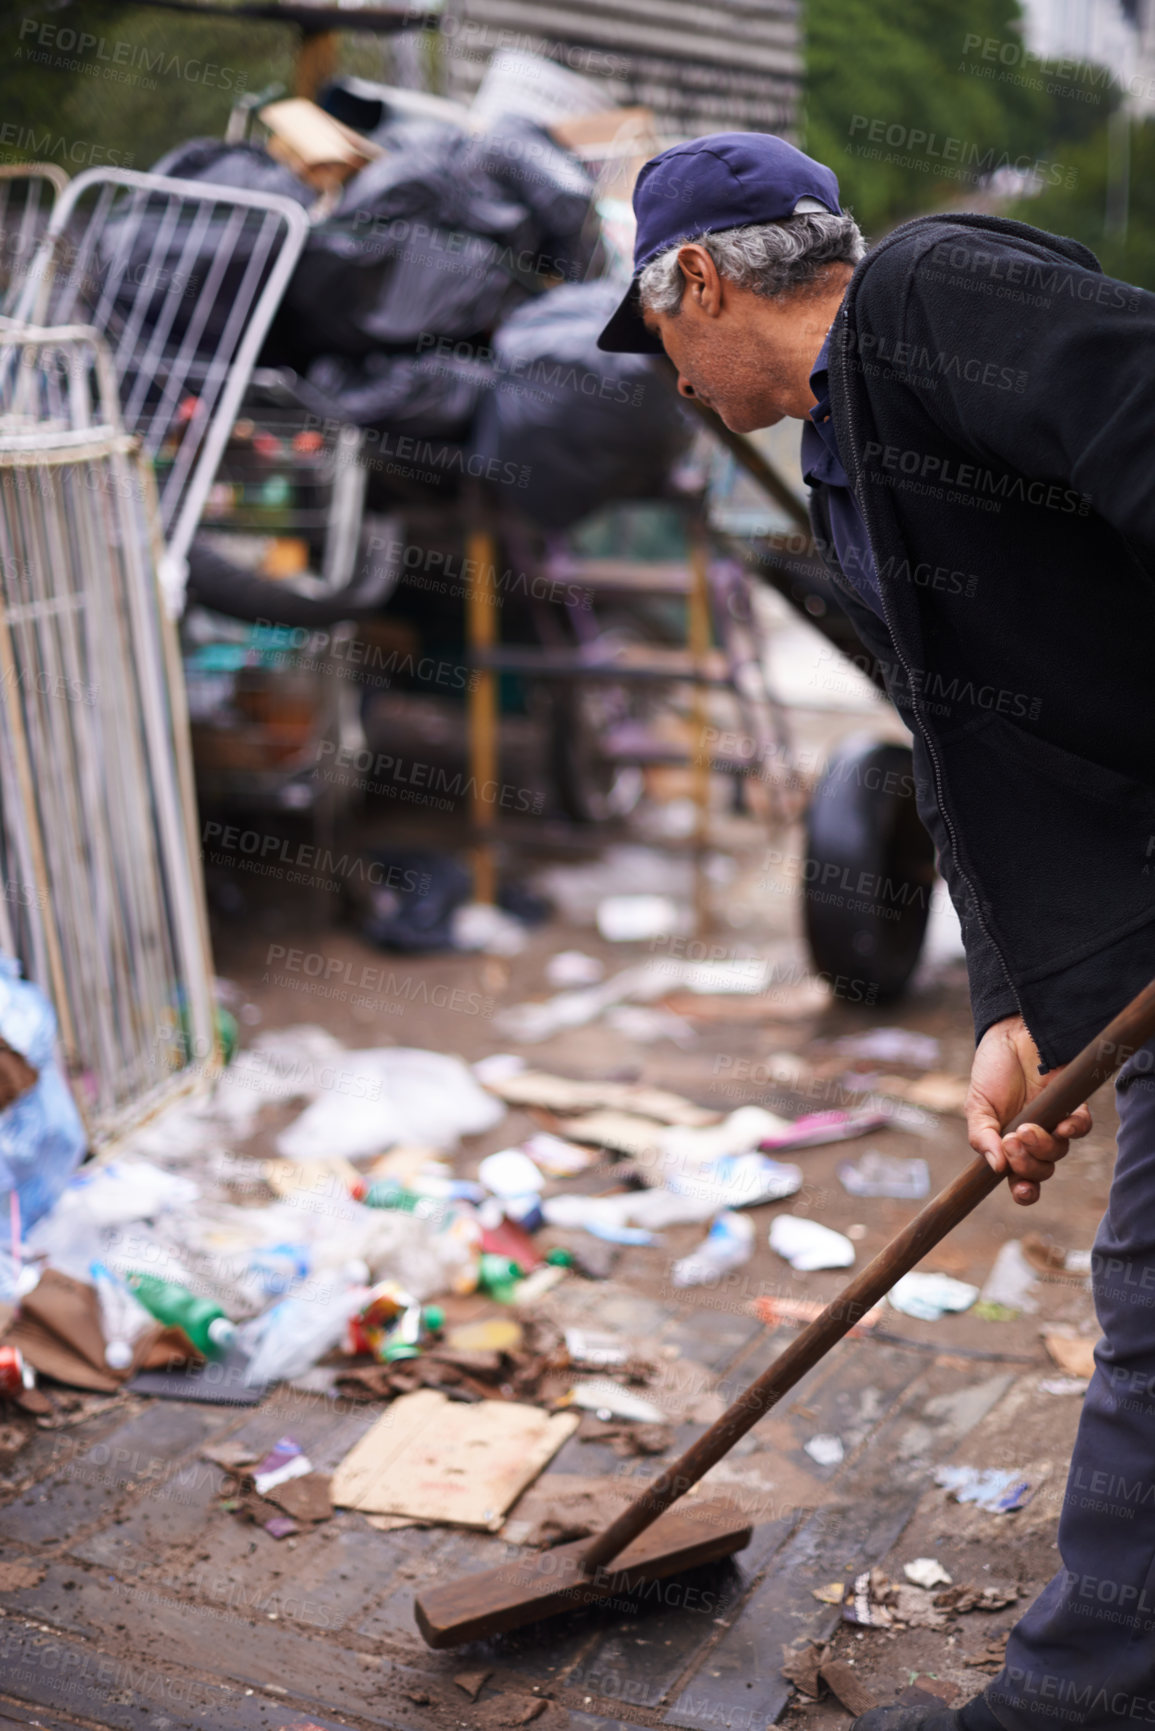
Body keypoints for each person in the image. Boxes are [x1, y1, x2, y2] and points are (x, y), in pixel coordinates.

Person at [598, 131, 1155, 1730]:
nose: (672, 379)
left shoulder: (934, 293)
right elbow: (976, 757)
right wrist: (1011, 1004)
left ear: (701, 279)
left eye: (659, 338)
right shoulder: (855, 461)